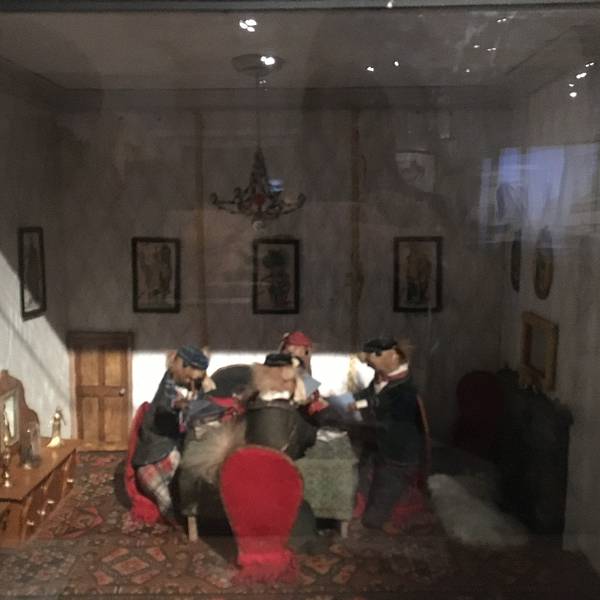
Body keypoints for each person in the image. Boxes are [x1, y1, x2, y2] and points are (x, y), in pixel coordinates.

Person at [348, 337, 427, 530]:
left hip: (397, 453)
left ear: (393, 356)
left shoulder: (405, 385)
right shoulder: (379, 378)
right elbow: (369, 394)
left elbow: (388, 402)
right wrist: (347, 399)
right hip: (378, 447)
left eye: (375, 356)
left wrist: (362, 404)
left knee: (375, 516)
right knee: (360, 479)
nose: (369, 362)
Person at [132, 345, 215, 520]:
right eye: (190, 377)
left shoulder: (193, 385)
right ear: (182, 367)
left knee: (191, 478)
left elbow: (203, 402)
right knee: (166, 502)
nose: (192, 381)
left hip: (174, 449)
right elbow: (165, 406)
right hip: (152, 454)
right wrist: (179, 405)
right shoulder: (169, 384)